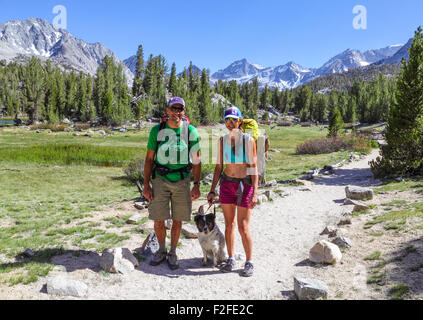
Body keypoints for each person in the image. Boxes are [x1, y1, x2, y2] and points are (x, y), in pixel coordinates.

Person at [143, 97, 201, 270]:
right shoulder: (157, 130)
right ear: (167, 110)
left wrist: (196, 185)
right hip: (160, 179)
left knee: (177, 219)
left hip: (183, 181)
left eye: (180, 109)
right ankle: (161, 250)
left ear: (184, 112)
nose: (176, 112)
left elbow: (197, 161)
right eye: (173, 108)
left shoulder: (191, 131)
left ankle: (173, 252)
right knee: (159, 219)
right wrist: (146, 185)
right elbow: (148, 159)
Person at [207, 106, 258, 277]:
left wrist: (256, 192)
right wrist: (212, 190)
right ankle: (230, 258)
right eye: (227, 120)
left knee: (243, 227)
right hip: (227, 184)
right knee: (229, 225)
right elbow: (218, 167)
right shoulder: (222, 141)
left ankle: (249, 262)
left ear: (240, 121)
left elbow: (253, 168)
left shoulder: (249, 141)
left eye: (233, 120)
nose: (229, 123)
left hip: (244, 186)